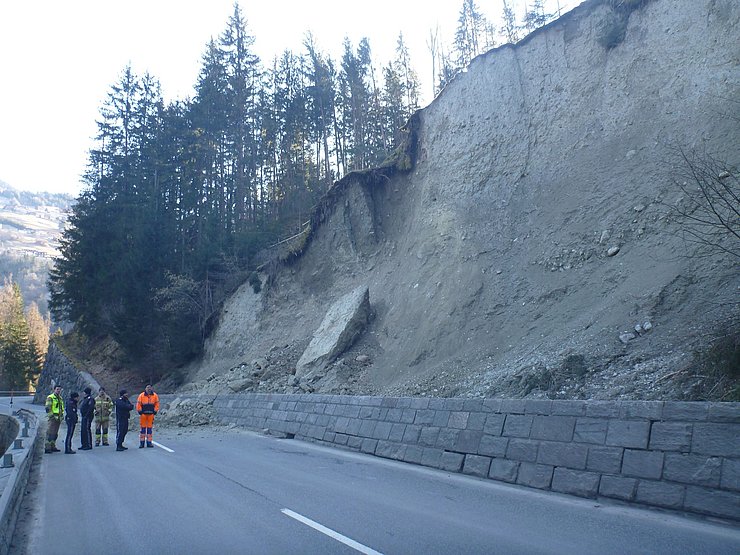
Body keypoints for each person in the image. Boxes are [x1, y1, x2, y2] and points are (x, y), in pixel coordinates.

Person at [136, 384, 160, 448]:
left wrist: (155, 410)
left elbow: (157, 404)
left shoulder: (155, 396)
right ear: (145, 388)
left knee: (149, 429)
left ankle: (149, 442)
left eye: (150, 387)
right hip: (143, 414)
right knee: (143, 429)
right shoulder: (141, 395)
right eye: (147, 387)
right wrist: (140, 411)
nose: (149, 389)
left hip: (151, 414)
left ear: (151, 388)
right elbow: (138, 404)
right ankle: (142, 443)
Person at [44, 385, 64, 453]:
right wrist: (52, 417)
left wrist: (61, 416)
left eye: (60, 389)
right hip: (52, 418)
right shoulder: (50, 397)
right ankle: (47, 448)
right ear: (54, 389)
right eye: (57, 389)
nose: (59, 391)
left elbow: (61, 408)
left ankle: (53, 446)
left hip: (58, 418)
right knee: (49, 433)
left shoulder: (60, 398)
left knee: (55, 433)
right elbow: (48, 408)